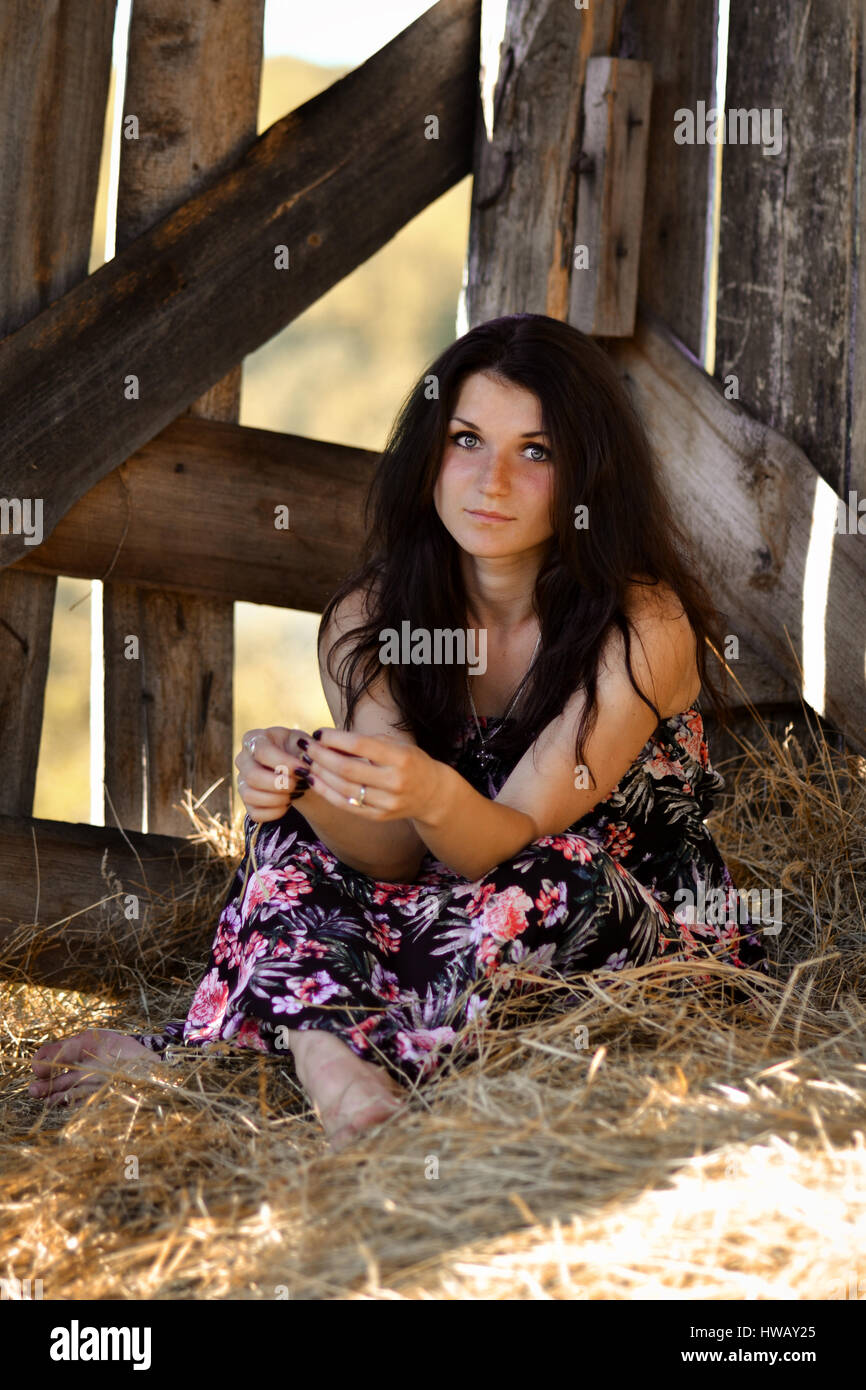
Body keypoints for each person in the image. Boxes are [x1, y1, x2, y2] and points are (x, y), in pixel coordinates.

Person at [30, 313, 769, 1148]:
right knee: (291, 845)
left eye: (537, 451)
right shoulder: (374, 615)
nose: (492, 480)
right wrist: (306, 783)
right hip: (440, 901)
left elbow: (502, 844)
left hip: (613, 917)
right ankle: (331, 1066)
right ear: (429, 454)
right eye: (466, 440)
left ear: (588, 474)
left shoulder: (639, 623)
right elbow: (389, 853)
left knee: (555, 874)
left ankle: (224, 1050)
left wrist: (426, 789)